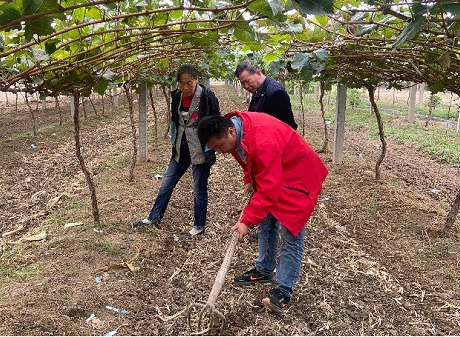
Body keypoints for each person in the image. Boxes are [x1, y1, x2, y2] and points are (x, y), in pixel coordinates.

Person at [197, 112, 328, 313]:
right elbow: (248, 156)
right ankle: (264, 269)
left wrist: (246, 221)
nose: (219, 151)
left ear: (231, 131)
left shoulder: (262, 140)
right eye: (213, 148)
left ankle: (284, 291)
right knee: (266, 220)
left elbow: (269, 188)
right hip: (278, 172)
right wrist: (249, 178)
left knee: (291, 235)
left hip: (299, 179)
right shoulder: (237, 131)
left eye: (219, 146)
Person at [132, 64, 220, 237]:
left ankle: (199, 226)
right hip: (181, 147)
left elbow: (216, 123)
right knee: (166, 183)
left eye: (190, 83)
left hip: (200, 149)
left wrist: (211, 147)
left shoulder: (208, 97)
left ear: (196, 80)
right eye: (182, 83)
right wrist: (174, 139)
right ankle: (154, 218)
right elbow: (175, 121)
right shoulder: (177, 96)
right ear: (178, 83)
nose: (186, 87)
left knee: (199, 187)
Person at [235, 60, 298, 242]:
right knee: (267, 191)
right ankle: (267, 229)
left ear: (258, 72)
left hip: (278, 154)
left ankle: (275, 231)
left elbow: (287, 127)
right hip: (267, 152)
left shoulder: (275, 92)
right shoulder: (258, 92)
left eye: (248, 80)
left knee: (274, 191)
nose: (246, 85)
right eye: (243, 83)